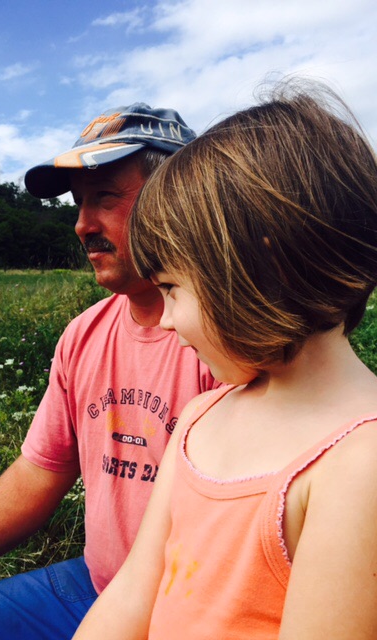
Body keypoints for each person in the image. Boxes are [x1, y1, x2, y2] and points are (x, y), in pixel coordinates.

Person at [0, 104, 217, 640]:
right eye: (78, 203)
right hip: (94, 585)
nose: (81, 224)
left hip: (193, 616)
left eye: (105, 198)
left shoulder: (230, 341)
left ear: (179, 201)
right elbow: (39, 472)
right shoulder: (84, 335)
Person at [73, 80, 377, 639]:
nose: (164, 321)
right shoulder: (202, 417)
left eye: (172, 289)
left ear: (260, 270)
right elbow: (136, 592)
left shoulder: (361, 467)